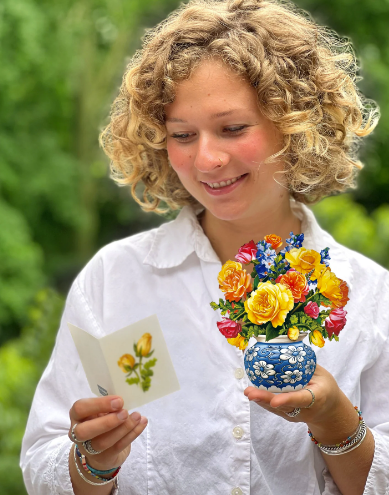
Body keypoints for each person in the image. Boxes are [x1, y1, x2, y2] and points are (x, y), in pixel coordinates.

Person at [20, 0, 389, 494]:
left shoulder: (370, 295)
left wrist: (338, 424)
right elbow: (42, 463)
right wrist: (93, 463)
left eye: (233, 128)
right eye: (182, 135)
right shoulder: (117, 280)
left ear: (297, 124)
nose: (207, 159)